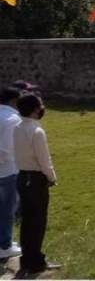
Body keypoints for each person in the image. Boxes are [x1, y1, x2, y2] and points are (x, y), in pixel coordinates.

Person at [13, 94, 60, 275]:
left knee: (27, 221)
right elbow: (44, 159)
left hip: (22, 176)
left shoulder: (17, 127)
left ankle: (27, 259)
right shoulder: (36, 131)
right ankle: (36, 262)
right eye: (40, 105)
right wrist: (52, 177)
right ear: (35, 109)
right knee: (38, 222)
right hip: (36, 178)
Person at [0, 87, 21, 259]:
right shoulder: (12, 119)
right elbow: (5, 150)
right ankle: (4, 245)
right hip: (6, 170)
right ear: (14, 101)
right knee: (7, 208)